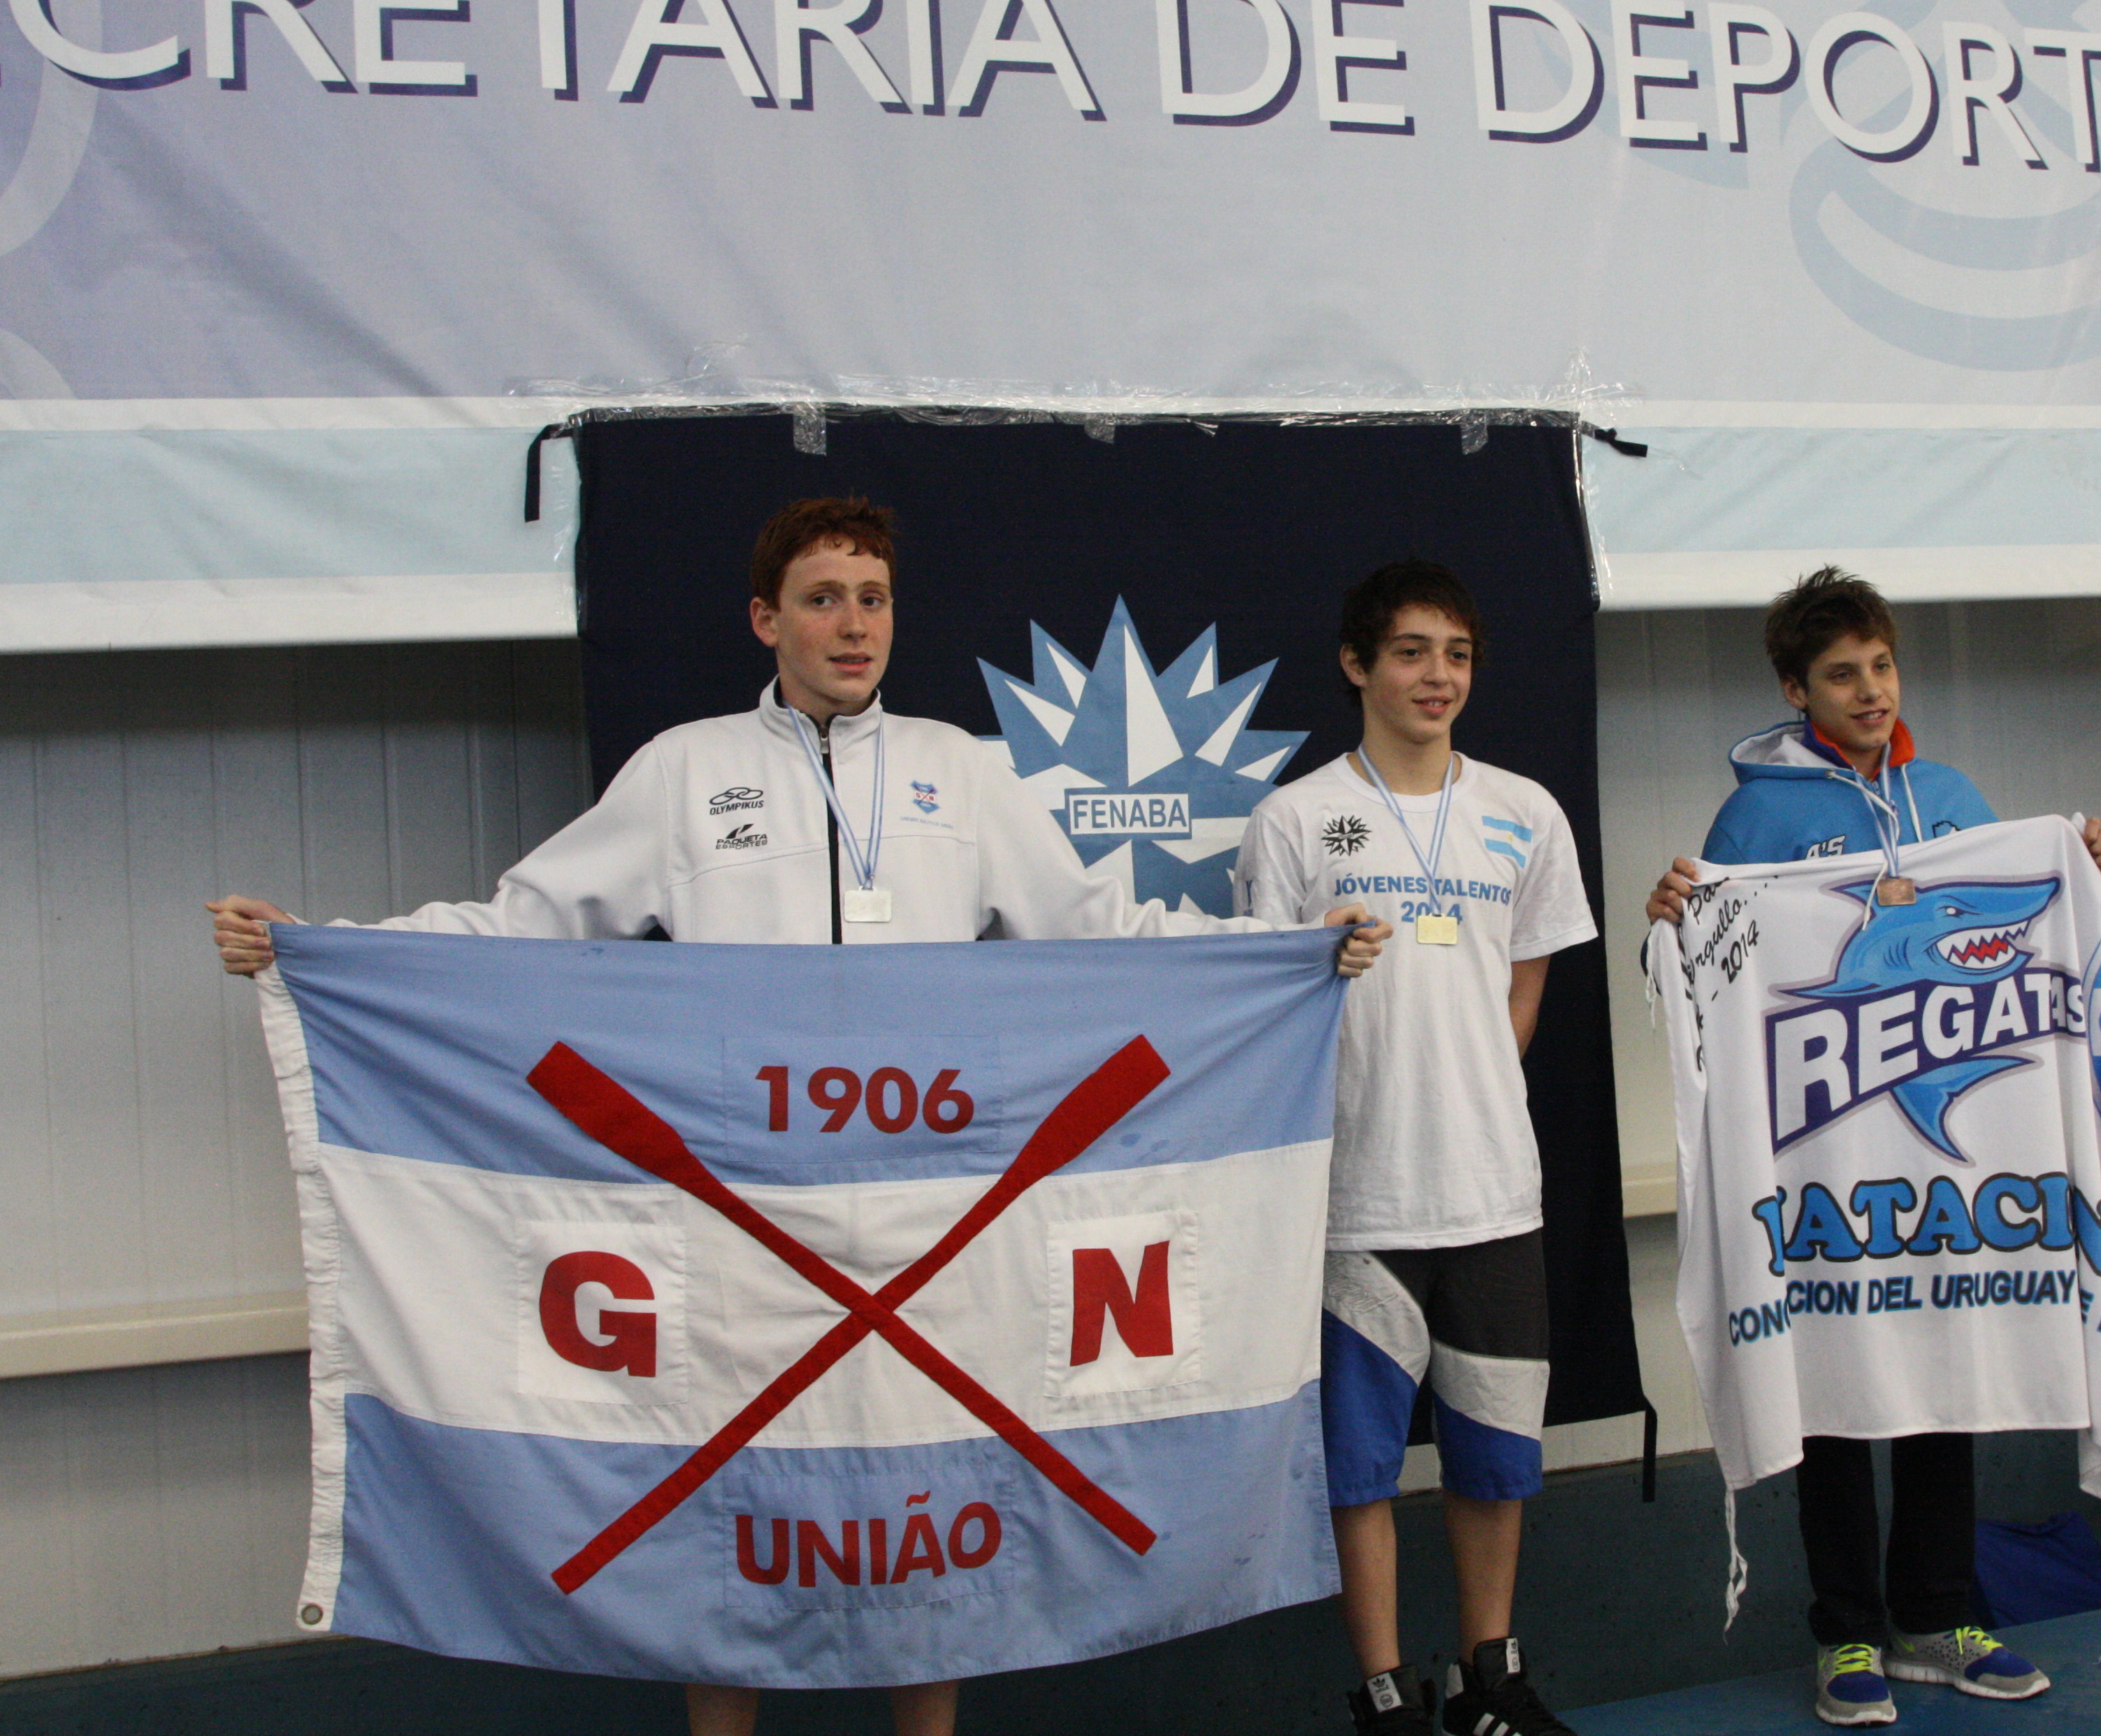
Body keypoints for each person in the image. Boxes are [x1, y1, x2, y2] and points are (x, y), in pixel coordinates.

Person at [209, 496, 1387, 1736]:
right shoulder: (685, 770)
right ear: (767, 620)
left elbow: (1105, 932)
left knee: (931, 1509)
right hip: (743, 1221)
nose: (854, 625)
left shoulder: (962, 770)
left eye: (874, 599)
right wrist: (323, 950)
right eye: (823, 599)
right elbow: (524, 924)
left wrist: (1282, 954)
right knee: (730, 1518)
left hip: (936, 1218)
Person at [1644, 566, 2101, 1729]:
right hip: (1824, 1162)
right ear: (1796, 689)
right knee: (1836, 1392)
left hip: (1949, 1163)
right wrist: (1672, 918)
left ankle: (1938, 1619)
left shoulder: (1949, 796)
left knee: (1949, 1367)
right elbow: (1717, 980)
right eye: (1841, 673)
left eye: (1882, 666)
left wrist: (2083, 868)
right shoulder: (1755, 821)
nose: (1869, 691)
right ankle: (1847, 1631)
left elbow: (2024, 920)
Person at [1234, 560, 1600, 1736]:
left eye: (1457, 654)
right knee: (1360, 1469)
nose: (1437, 676)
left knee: (1496, 1460)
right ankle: (1387, 1692)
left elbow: (1524, 992)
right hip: (1356, 1201)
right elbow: (1264, 1006)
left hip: (1493, 1194)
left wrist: (1464, 1093)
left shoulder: (1526, 812)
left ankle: (1490, 1676)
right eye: (1410, 653)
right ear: (1357, 666)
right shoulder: (1295, 819)